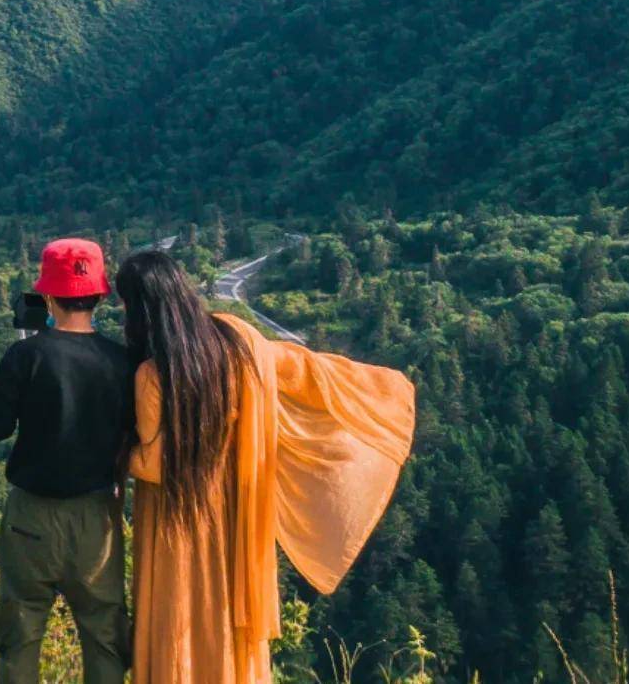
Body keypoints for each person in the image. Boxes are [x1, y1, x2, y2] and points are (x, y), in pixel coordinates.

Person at [116, 248, 418, 684]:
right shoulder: (239, 344)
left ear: (139, 309)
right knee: (224, 621)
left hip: (176, 521)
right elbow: (308, 371)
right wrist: (382, 391)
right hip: (234, 517)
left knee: (178, 621)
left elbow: (157, 466)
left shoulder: (152, 375)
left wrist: (116, 450)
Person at [0, 237, 136, 684]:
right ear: (100, 294)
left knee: (19, 634)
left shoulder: (25, 355)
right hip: (96, 517)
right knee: (105, 636)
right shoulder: (121, 362)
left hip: (30, 516)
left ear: (47, 295)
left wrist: (17, 362)